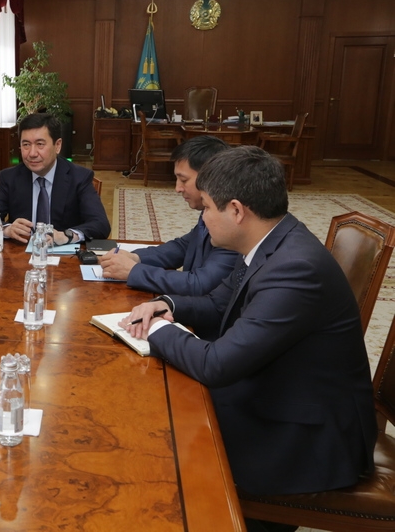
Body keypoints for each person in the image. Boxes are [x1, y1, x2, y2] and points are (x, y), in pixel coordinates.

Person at [121, 146, 376, 529]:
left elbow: (216, 365)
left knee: (159, 447)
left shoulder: (294, 268)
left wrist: (156, 329)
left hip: (304, 436)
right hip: (276, 393)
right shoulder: (271, 240)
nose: (203, 219)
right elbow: (215, 303)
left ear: (237, 210)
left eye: (208, 208)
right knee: (157, 415)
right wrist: (164, 305)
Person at [99, 135, 237, 295]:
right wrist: (135, 257)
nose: (177, 188)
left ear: (210, 177)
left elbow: (199, 283)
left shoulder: (232, 221)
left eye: (183, 180)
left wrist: (133, 271)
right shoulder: (210, 210)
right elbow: (183, 246)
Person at [0, 113, 110, 244]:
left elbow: (100, 224)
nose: (32, 153)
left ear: (57, 145)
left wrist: (66, 236)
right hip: (21, 253)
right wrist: (7, 229)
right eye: (26, 144)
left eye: (40, 144)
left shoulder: (79, 177)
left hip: (64, 254)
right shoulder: (10, 177)